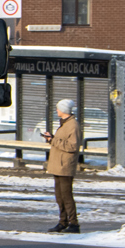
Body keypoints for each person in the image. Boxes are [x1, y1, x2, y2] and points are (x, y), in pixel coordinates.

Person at [43, 99, 81, 233]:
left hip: (65, 165)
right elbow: (63, 141)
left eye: (58, 108)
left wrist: (53, 140)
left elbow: (72, 146)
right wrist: (51, 139)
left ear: (64, 110)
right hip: (58, 165)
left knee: (66, 196)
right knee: (59, 196)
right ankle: (62, 221)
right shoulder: (64, 124)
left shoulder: (72, 125)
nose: (56, 111)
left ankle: (73, 223)